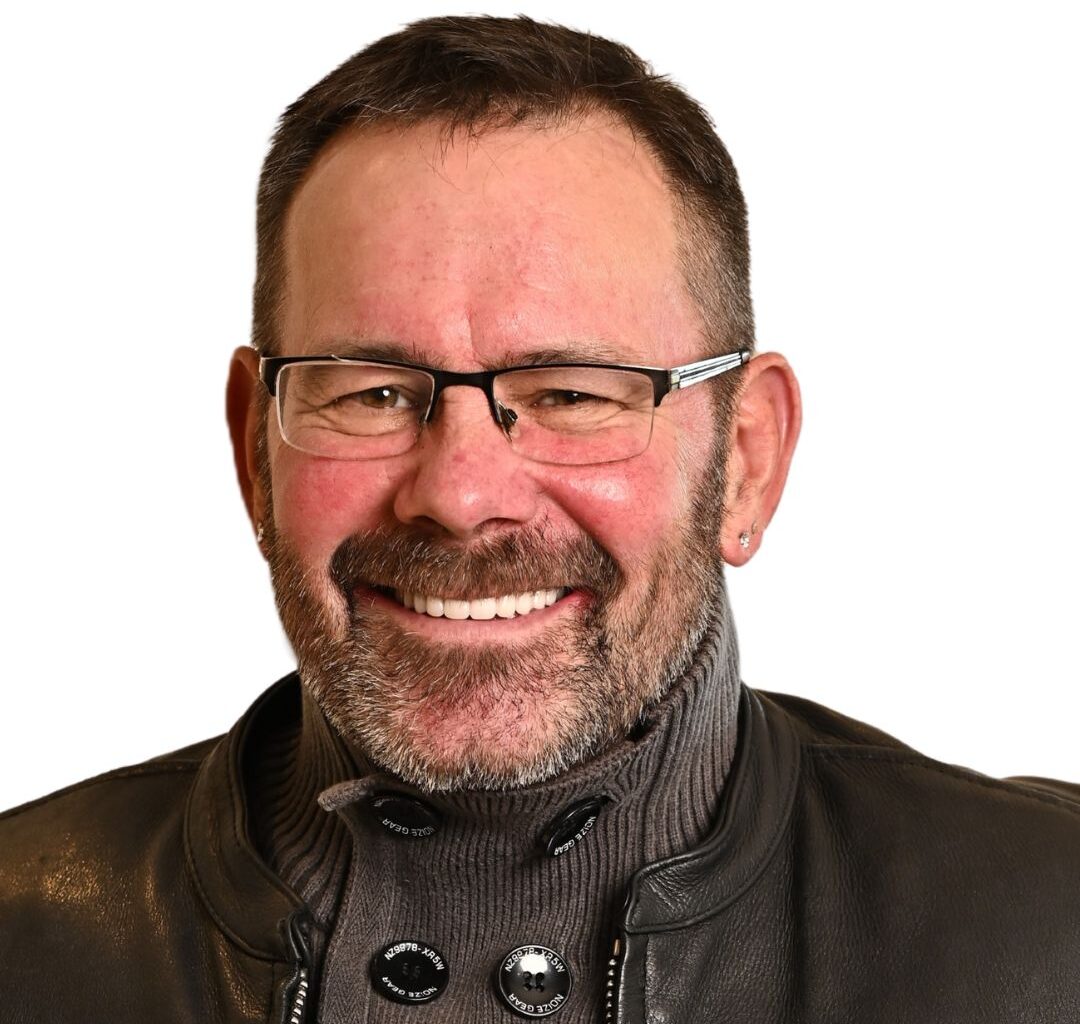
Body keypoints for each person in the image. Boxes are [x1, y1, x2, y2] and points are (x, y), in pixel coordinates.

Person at [1, 15, 1077, 1023]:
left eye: (572, 393)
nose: (463, 494)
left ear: (746, 459)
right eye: (371, 392)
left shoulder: (1045, 935)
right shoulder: (27, 931)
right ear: (255, 450)